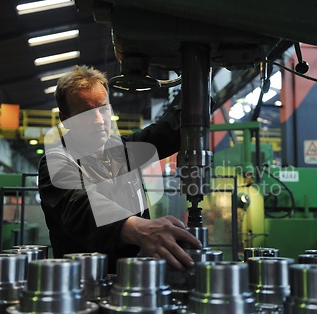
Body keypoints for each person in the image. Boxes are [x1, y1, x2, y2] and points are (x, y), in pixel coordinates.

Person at [38, 65, 202, 273]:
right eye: (85, 113)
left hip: (133, 276)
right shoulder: (57, 162)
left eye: (103, 109)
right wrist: (139, 229)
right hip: (82, 282)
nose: (99, 121)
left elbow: (164, 134)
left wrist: (200, 86)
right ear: (65, 119)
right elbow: (80, 207)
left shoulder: (119, 150)